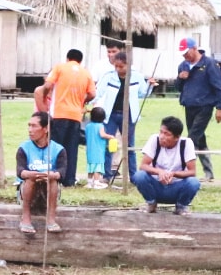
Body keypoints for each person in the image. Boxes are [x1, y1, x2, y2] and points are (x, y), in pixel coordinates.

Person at [34, 49, 95, 188]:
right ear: (80, 61)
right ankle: (69, 180)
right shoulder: (86, 73)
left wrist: (43, 96)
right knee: (71, 148)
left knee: (55, 147)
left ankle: (54, 177)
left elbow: (48, 85)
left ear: (67, 58)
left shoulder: (60, 68)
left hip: (59, 114)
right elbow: (92, 93)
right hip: (75, 115)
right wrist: (81, 101)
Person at [176, 38, 221, 181]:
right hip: (189, 105)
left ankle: (183, 170)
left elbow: (220, 86)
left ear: (194, 48)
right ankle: (209, 172)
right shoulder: (183, 66)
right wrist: (181, 78)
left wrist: (220, 107)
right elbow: (178, 87)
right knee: (200, 139)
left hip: (205, 106)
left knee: (191, 138)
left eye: (186, 53)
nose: (185, 56)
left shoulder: (209, 64)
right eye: (183, 54)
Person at [94, 51, 149, 181]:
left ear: (129, 65)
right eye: (116, 66)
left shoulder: (137, 76)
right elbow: (98, 92)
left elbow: (142, 93)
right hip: (111, 114)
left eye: (121, 66)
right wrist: (86, 101)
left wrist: (150, 86)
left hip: (129, 115)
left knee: (130, 146)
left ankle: (134, 176)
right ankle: (107, 175)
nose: (118, 69)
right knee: (109, 144)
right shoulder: (109, 76)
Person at [133, 115, 201, 215]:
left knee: (193, 182)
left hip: (177, 186)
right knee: (139, 176)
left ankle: (181, 206)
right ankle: (151, 203)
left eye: (167, 134)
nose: (162, 137)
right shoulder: (154, 139)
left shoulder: (186, 143)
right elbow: (143, 166)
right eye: (161, 132)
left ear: (177, 137)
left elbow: (192, 172)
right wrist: (160, 172)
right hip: (156, 185)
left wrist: (173, 174)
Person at [16, 110, 63, 235]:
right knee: (30, 178)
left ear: (46, 129)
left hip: (49, 190)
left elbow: (62, 172)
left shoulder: (59, 149)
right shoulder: (23, 148)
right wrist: (31, 174)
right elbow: (20, 171)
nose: (30, 130)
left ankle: (51, 219)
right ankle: (25, 218)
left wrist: (52, 175)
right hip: (28, 190)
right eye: (29, 125)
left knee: (52, 180)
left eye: (34, 126)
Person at [84, 106, 115, 189]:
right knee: (97, 166)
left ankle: (89, 182)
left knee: (91, 166)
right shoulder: (100, 126)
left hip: (89, 150)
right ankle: (97, 182)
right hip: (98, 150)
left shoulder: (88, 126)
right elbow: (102, 135)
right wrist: (110, 136)